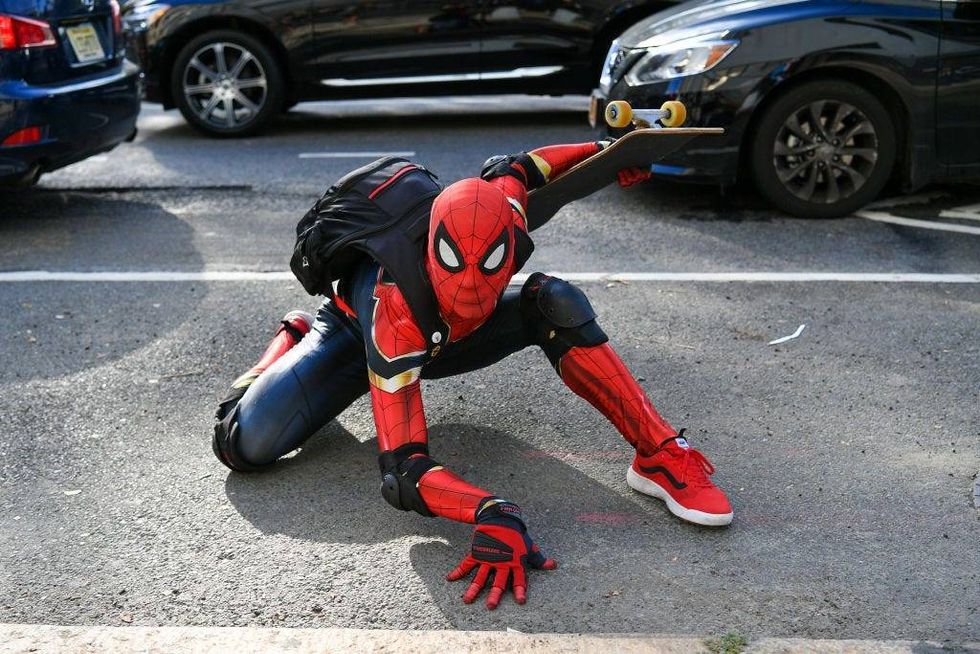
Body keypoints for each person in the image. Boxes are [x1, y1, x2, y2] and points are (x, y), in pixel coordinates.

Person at [212, 141, 733, 610]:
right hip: (359, 334)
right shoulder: (394, 309)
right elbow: (403, 471)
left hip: (444, 338)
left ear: (510, 240)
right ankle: (290, 338)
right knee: (241, 444)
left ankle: (660, 454)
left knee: (554, 299)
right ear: (432, 248)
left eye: (488, 265)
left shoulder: (504, 211)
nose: (471, 286)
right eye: (453, 262)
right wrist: (489, 510)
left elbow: (523, 167)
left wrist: (611, 151)